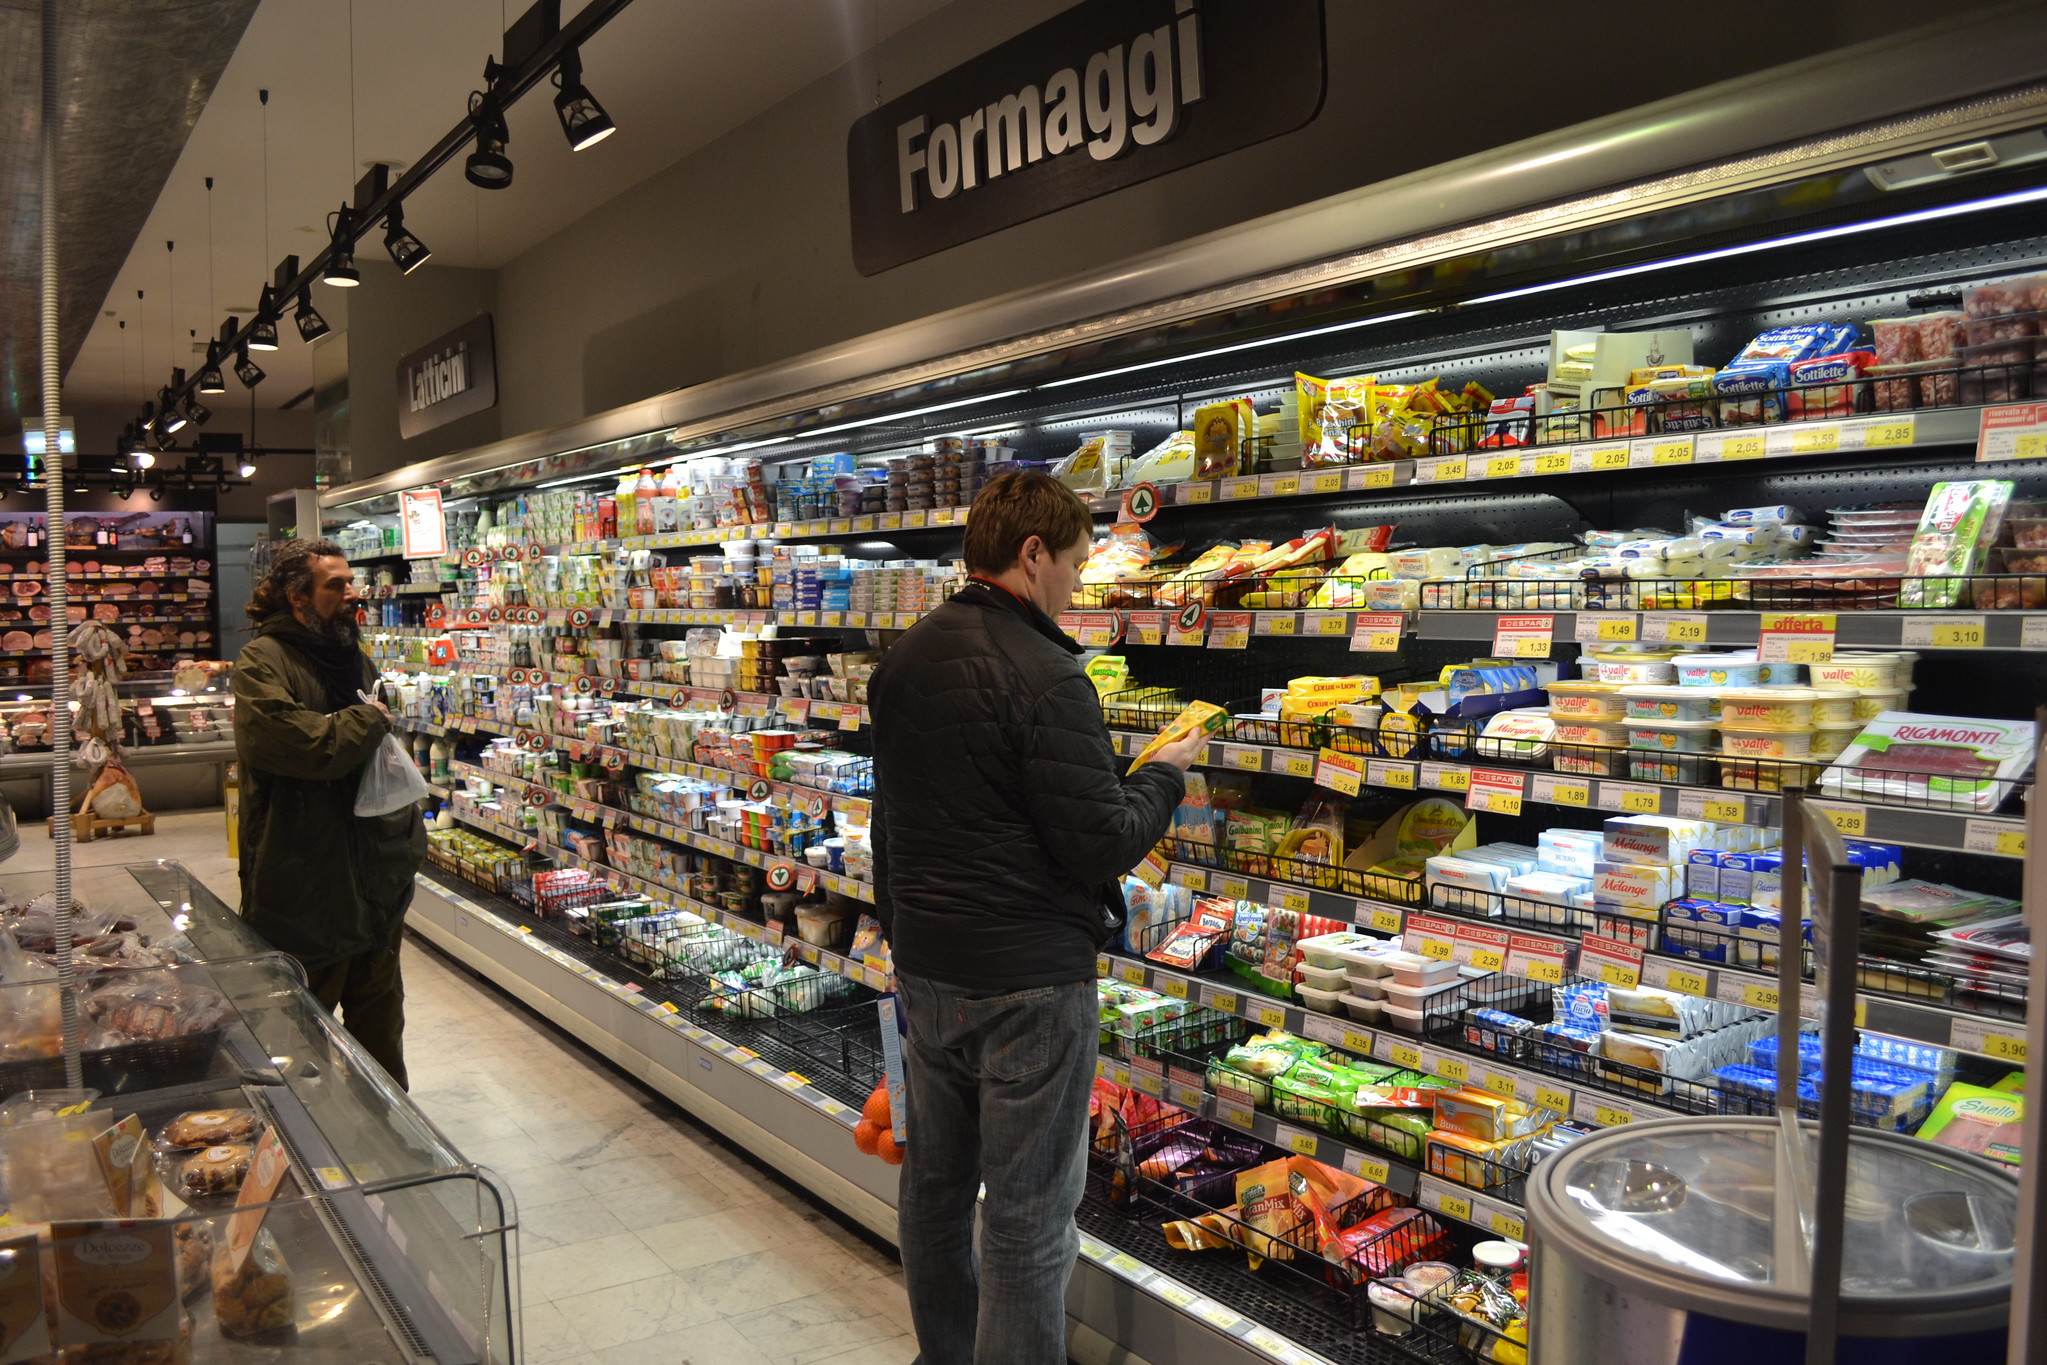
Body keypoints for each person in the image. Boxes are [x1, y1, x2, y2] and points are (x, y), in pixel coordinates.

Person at [870, 471, 1205, 1365]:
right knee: (1025, 1216)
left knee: (936, 1195)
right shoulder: (1051, 677)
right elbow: (1100, 843)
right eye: (1075, 564)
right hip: (1027, 987)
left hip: (929, 970)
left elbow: (887, 821)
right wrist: (1166, 770)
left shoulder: (903, 658)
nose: (1077, 584)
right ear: (1031, 556)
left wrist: (902, 939)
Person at [233, 538, 425, 1087]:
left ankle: (395, 1139)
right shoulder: (262, 661)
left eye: (351, 582)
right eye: (334, 585)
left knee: (381, 1037)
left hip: (377, 883)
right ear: (297, 597)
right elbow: (301, 746)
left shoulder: (352, 655)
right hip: (308, 884)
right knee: (300, 1041)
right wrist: (370, 722)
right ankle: (310, 1151)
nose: (351, 594)